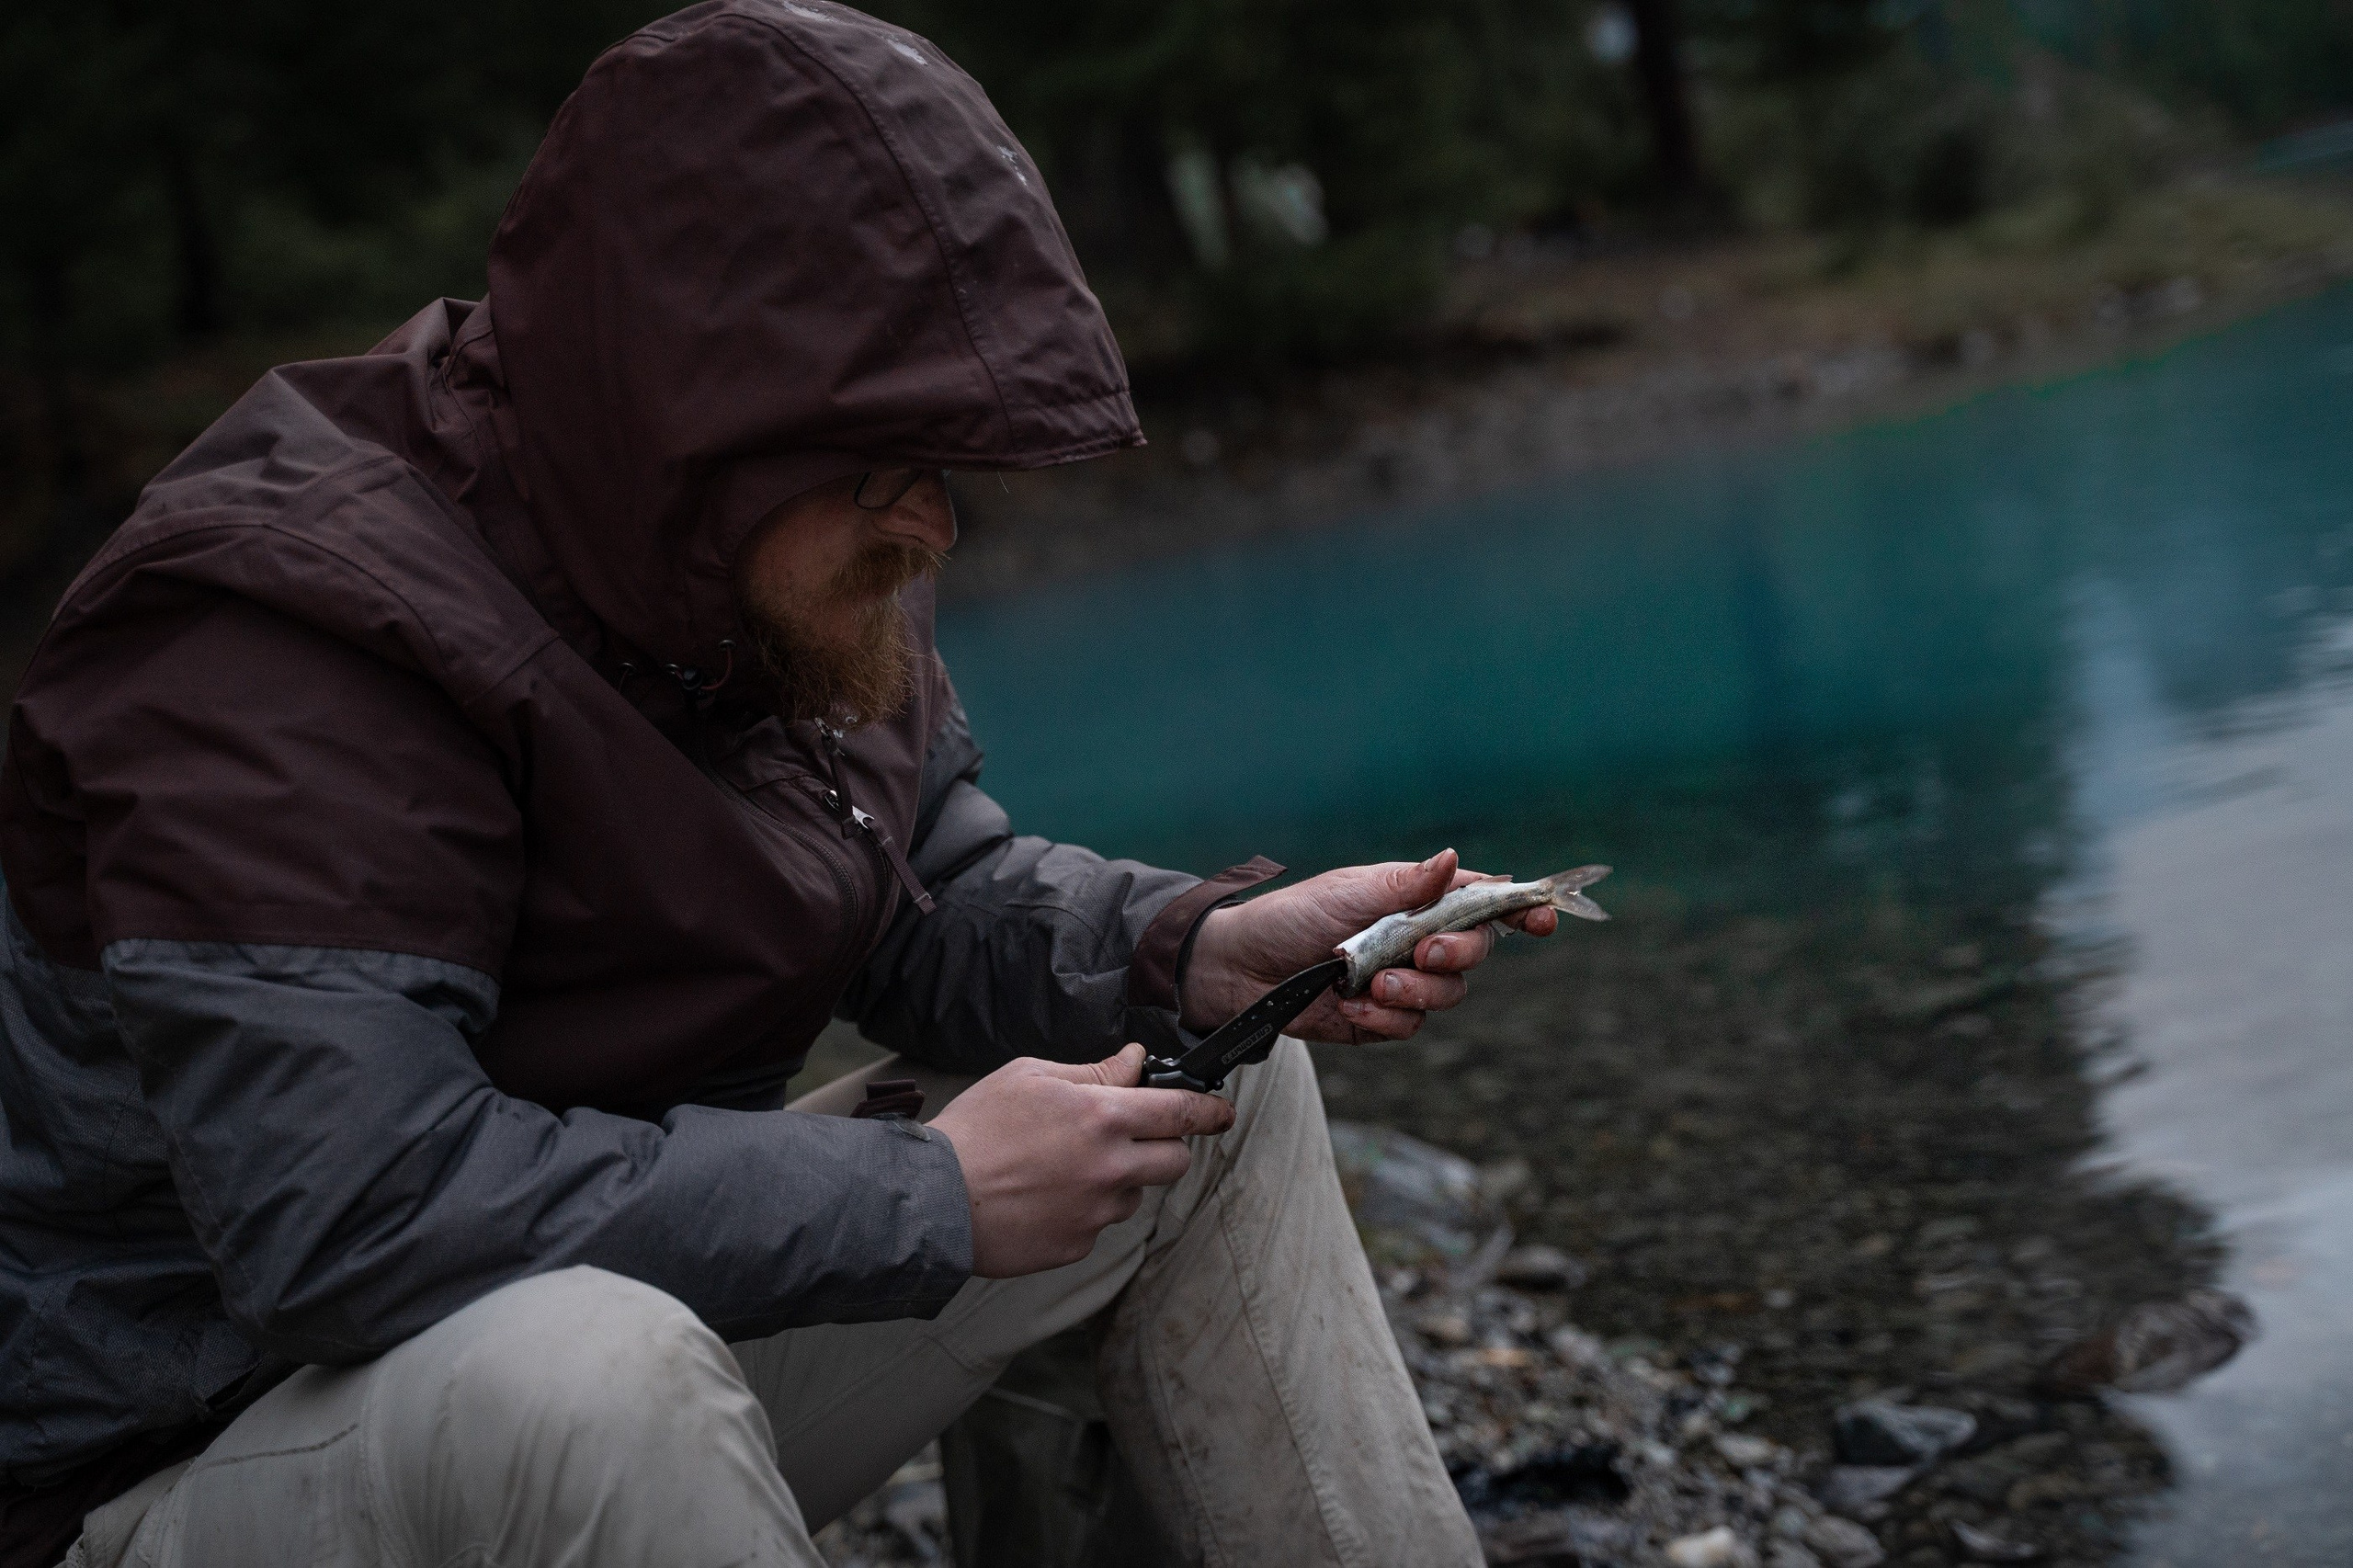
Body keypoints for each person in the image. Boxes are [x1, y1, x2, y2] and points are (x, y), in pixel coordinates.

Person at [0, 6, 1557, 1564]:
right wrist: (927, 1193)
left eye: (949, 461)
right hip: (165, 1474)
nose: (934, 526)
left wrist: (1194, 948)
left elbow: (919, 892)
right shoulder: (281, 629)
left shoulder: (741, 568)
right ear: (694, 423)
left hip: (554, 1375)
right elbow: (349, 1215)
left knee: (1200, 1087)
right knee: (591, 1372)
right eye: (890, 462)